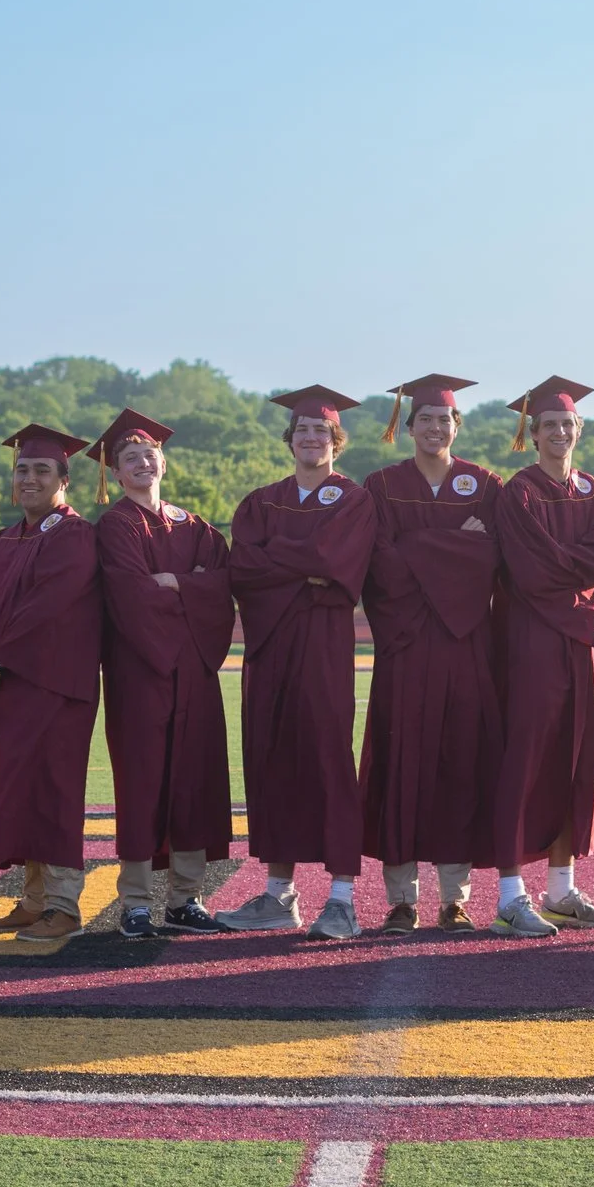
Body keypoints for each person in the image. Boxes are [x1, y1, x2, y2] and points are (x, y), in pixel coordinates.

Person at [219, 387, 378, 940]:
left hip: (323, 646)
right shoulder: (261, 502)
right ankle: (276, 894)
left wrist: (281, 563)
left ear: (337, 440)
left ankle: (342, 900)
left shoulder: (354, 501)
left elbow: (335, 565)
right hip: (269, 647)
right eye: (302, 430)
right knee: (271, 758)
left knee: (329, 758)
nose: (311, 438)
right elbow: (244, 569)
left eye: (321, 431)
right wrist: (304, 571)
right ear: (289, 440)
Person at [490, 376, 594, 938]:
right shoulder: (519, 494)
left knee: (581, 754)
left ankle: (561, 888)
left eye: (566, 423)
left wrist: (572, 561)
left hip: (593, 641)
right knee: (528, 756)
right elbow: (532, 569)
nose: (558, 431)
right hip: (534, 637)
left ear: (580, 429)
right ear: (532, 434)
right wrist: (588, 565)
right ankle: (510, 895)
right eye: (548, 425)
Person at [357, 374, 502, 934]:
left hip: (465, 646)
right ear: (408, 426)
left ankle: (454, 899)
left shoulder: (484, 485)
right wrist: (456, 545)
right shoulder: (382, 485)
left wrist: (421, 548)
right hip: (406, 645)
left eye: (444, 419)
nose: (434, 428)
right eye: (425, 419)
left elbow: (493, 557)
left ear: (456, 426)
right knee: (399, 765)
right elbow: (379, 562)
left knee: (458, 766)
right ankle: (401, 899)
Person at [95, 408, 236, 937]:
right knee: (142, 781)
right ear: (114, 472)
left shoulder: (194, 525)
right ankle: (135, 901)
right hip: (140, 673)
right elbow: (131, 596)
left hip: (194, 674)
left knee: (195, 780)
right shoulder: (115, 526)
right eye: (130, 458)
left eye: (149, 454)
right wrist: (192, 585)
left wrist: (174, 582)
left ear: (164, 462)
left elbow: (222, 586)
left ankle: (185, 899)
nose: (142, 463)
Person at [0, 424, 103, 943]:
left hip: (53, 686)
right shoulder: (0, 541)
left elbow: (47, 608)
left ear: (65, 480)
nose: (29, 478)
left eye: (42, 470)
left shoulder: (74, 536)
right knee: (20, 792)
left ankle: (63, 905)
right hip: (5, 687)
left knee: (53, 791)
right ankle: (34, 900)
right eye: (22, 469)